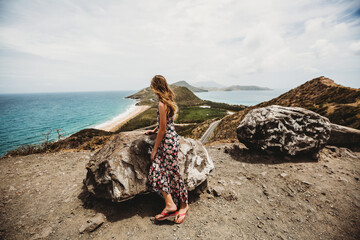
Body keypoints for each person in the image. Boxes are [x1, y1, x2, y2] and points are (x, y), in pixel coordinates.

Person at [144, 75, 189, 224]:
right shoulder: (167, 102)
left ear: (155, 87)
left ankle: (177, 205)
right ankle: (176, 204)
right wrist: (153, 129)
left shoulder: (161, 104)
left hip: (166, 141)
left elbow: (163, 129)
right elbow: (164, 123)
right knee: (170, 172)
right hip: (172, 139)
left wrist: (155, 149)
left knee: (159, 171)